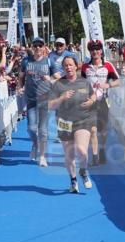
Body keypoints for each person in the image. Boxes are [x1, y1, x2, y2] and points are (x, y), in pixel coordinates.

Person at [47, 56, 97, 193]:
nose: (68, 67)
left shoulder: (84, 82)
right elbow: (50, 106)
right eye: (66, 66)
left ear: (76, 66)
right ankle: (73, 180)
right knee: (69, 155)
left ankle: (83, 171)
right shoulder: (58, 84)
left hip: (82, 120)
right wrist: (62, 97)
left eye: (70, 65)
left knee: (82, 150)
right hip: (64, 123)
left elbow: (93, 95)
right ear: (63, 68)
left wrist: (92, 101)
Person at [81, 40, 120, 165]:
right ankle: (95, 156)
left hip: (103, 101)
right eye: (92, 49)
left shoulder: (107, 65)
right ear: (90, 51)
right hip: (90, 101)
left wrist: (107, 85)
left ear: (101, 51)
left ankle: (102, 150)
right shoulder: (85, 67)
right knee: (92, 130)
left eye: (97, 49)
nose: (95, 52)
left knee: (103, 131)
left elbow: (118, 81)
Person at [22, 38, 53, 166]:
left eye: (40, 45)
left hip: (45, 99)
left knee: (43, 130)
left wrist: (49, 78)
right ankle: (35, 144)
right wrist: (20, 86)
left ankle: (42, 156)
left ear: (44, 47)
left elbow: (56, 78)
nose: (38, 48)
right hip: (31, 99)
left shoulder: (49, 61)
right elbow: (21, 76)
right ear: (32, 47)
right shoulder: (26, 61)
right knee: (31, 128)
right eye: (35, 46)